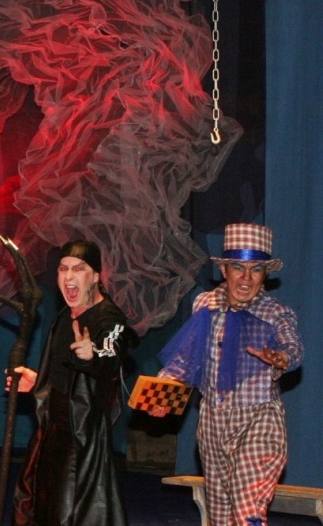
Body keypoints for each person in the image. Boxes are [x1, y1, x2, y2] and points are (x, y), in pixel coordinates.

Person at [150, 223, 303, 526]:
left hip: (258, 419)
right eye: (238, 268)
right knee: (220, 514)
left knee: (248, 509)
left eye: (256, 270)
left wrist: (281, 358)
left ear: (265, 274)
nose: (246, 278)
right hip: (212, 422)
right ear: (224, 270)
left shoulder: (275, 313)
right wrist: (163, 393)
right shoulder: (205, 305)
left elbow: (293, 347)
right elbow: (185, 358)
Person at [8, 240, 137, 526]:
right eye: (63, 269)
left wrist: (94, 354)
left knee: (67, 514)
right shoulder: (65, 317)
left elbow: (112, 351)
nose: (68, 276)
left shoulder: (109, 318)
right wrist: (37, 381)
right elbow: (63, 373)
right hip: (51, 429)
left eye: (78, 269)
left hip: (81, 437)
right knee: (34, 504)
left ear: (96, 276)